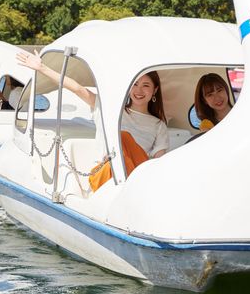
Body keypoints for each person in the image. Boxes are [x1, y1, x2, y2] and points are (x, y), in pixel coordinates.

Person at [16, 51, 168, 190]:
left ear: (154, 90)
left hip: (138, 178)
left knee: (126, 139)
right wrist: (42, 68)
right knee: (123, 137)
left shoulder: (158, 125)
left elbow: (159, 162)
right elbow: (78, 89)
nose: (139, 90)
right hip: (108, 174)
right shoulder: (109, 109)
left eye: (146, 85)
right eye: (135, 84)